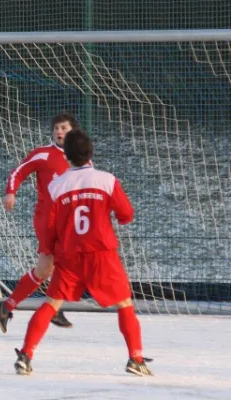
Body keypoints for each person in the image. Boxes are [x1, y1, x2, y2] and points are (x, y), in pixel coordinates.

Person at [12, 129, 153, 377]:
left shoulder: (56, 186)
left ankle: (26, 355)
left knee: (51, 304)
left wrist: (49, 249)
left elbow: (49, 226)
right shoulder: (107, 180)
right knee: (124, 304)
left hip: (69, 255)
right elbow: (126, 214)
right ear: (91, 153)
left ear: (65, 156)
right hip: (101, 254)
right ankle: (136, 358)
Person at [0, 114, 80, 332]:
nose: (58, 132)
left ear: (73, 131)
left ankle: (8, 305)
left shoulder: (81, 159)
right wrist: (10, 192)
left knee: (45, 269)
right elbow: (18, 171)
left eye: (63, 127)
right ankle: (53, 305)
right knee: (60, 264)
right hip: (48, 219)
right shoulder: (43, 154)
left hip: (70, 221)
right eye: (56, 128)